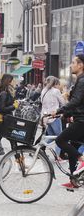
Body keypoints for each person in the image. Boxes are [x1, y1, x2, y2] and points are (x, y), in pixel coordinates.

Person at [53, 55, 84, 189]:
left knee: (60, 140)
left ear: (80, 65)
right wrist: (65, 114)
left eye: (73, 63)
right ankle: (74, 181)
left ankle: (82, 159)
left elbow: (76, 101)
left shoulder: (82, 81)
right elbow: (79, 103)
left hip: (82, 121)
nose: (71, 65)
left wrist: (59, 110)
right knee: (73, 148)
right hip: (79, 118)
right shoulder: (80, 80)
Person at [41, 76, 65, 160]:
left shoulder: (43, 90)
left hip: (46, 117)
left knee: (51, 136)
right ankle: (57, 156)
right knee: (59, 137)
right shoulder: (56, 91)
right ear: (55, 83)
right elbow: (63, 103)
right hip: (54, 116)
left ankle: (39, 149)